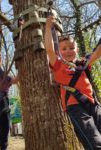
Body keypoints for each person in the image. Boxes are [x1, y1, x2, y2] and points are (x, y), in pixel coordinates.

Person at [45, 16, 101, 149]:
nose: (68, 51)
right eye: (64, 49)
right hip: (75, 106)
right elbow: (50, 50)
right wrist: (47, 27)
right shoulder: (59, 65)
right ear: (59, 52)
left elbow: (97, 53)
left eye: (71, 47)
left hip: (93, 103)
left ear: (76, 50)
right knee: (93, 140)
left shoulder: (82, 64)